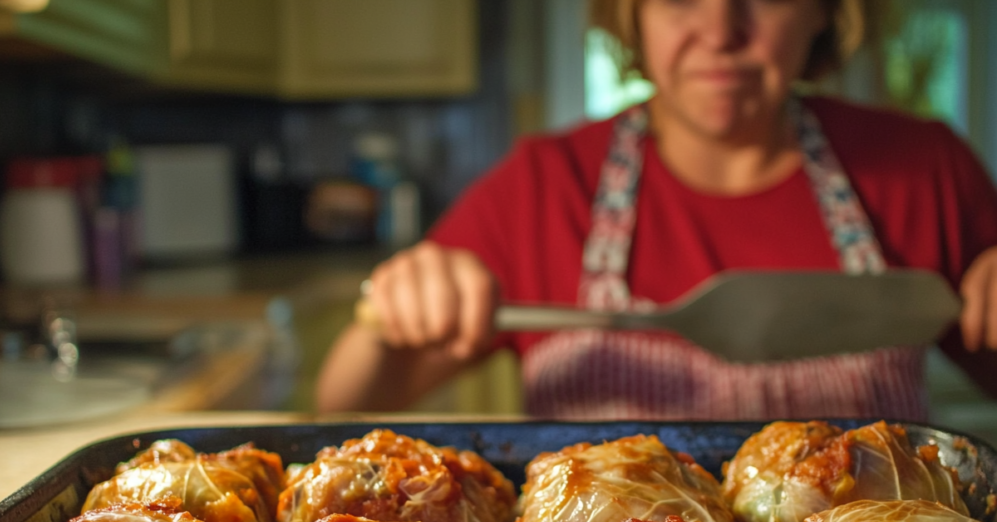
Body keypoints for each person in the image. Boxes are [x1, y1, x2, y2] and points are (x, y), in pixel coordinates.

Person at [317, 0, 997, 420]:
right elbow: (342, 405)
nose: (720, 29)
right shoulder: (543, 186)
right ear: (632, 13)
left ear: (824, 8)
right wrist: (390, 310)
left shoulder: (924, 170)